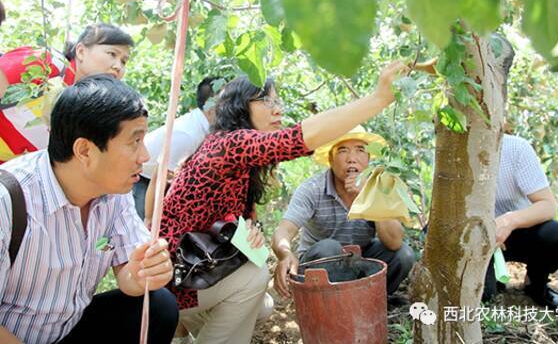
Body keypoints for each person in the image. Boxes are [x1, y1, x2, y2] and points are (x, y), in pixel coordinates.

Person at [158, 61, 407, 344]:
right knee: (254, 277)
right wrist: (378, 99)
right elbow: (296, 139)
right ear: (241, 105)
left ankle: (188, 335)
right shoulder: (230, 145)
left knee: (261, 303)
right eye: (267, 101)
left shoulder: (236, 158)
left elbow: (229, 220)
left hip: (192, 270)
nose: (278, 109)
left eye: (278, 101)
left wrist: (249, 232)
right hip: (177, 277)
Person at [0, 75, 178, 344]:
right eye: (134, 141)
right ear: (84, 150)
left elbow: (129, 277)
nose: (145, 156)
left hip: (65, 329)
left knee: (158, 306)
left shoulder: (113, 194)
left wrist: (142, 274)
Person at [0, 23, 134, 198]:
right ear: (80, 51)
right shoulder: (46, 64)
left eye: (124, 61)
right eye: (112, 54)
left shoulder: (85, 105)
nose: (118, 66)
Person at [272, 125, 415, 302]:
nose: (352, 159)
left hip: (359, 259)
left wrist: (369, 198)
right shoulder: (313, 189)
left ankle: (372, 301)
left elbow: (394, 242)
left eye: (360, 150)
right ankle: (331, 305)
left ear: (369, 159)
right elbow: (284, 230)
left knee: (404, 255)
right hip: (321, 264)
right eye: (343, 151)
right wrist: (285, 254)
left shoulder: (377, 188)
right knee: (329, 248)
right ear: (331, 160)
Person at [481, 35, 558, 310]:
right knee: (485, 297)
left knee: (555, 236)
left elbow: (547, 206)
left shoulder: (516, 149)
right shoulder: (451, 154)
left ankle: (536, 283)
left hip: (518, 233)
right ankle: (489, 279)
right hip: (477, 236)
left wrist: (509, 221)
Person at [136, 76, 219, 221]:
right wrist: (149, 220)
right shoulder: (189, 134)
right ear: (210, 107)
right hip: (142, 182)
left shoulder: (202, 127)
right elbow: (158, 177)